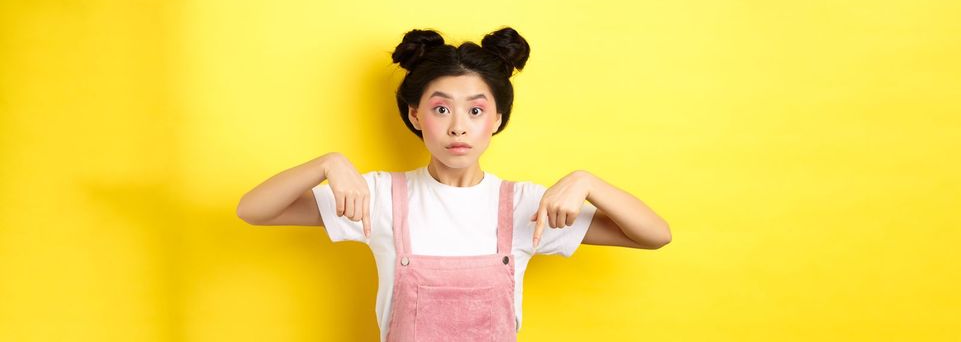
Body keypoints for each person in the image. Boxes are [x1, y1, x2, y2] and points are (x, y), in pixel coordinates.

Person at [236, 26, 672, 342]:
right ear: (414, 116)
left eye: (476, 111)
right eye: (441, 109)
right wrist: (327, 164)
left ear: (497, 119)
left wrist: (586, 181)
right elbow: (253, 210)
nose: (458, 127)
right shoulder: (379, 198)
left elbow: (655, 236)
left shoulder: (526, 205)